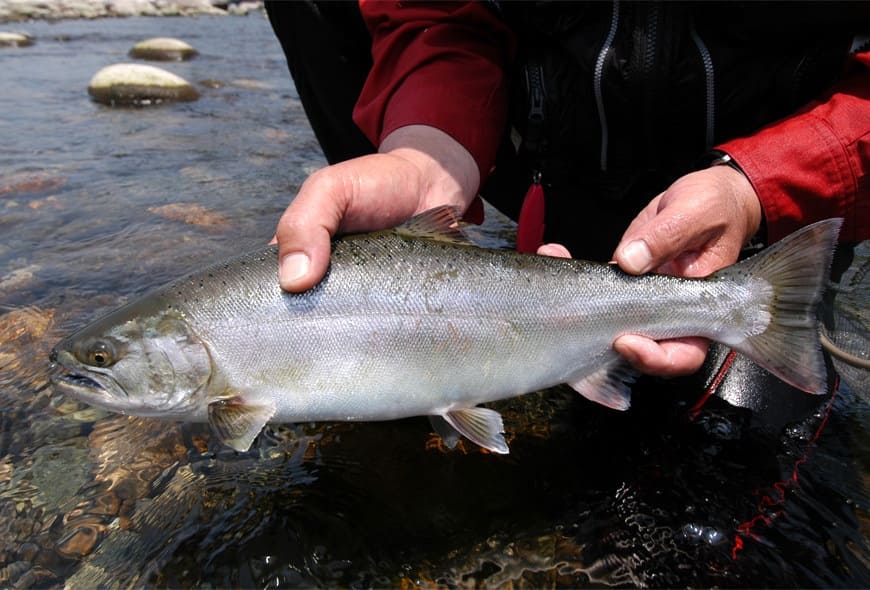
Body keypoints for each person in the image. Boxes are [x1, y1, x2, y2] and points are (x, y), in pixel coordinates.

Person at [264, 1, 869, 393]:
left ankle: (769, 282)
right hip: (548, 145)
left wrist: (762, 185)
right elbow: (440, 14)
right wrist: (427, 150)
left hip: (776, 166)